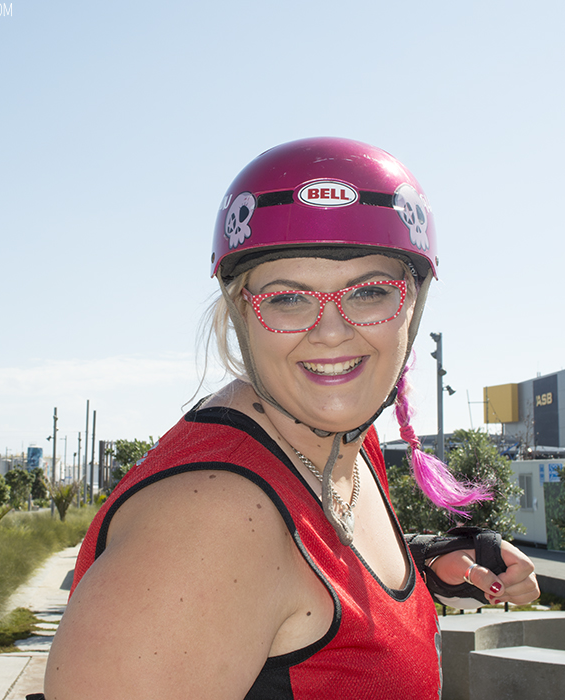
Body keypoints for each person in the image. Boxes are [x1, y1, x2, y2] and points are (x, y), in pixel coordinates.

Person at [39, 138, 539, 699]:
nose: (331, 330)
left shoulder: (341, 439)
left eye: (370, 292)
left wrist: (427, 563)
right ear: (239, 312)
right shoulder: (210, 523)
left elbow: (310, 583)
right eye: (287, 299)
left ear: (413, 305)